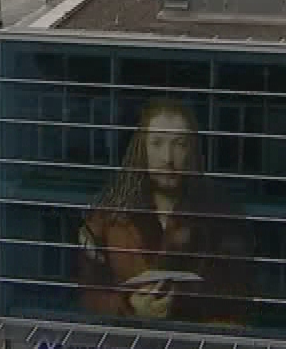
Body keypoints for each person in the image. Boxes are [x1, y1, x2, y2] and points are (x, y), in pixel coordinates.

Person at [76, 99, 252, 327]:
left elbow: (238, 292)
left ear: (192, 150)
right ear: (142, 149)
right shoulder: (107, 217)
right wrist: (128, 306)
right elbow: (87, 293)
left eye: (179, 144)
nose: (167, 158)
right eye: (157, 143)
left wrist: (182, 300)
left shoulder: (221, 217)